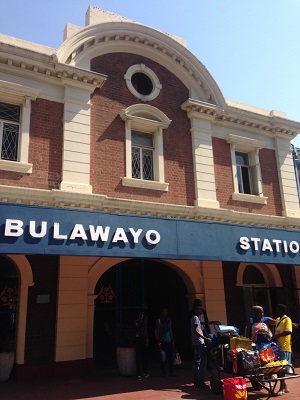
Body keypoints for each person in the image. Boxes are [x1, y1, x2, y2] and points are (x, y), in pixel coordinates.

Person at [273, 304, 293, 396]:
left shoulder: (287, 319)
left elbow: (289, 331)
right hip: (278, 347)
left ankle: (282, 388)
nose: (276, 312)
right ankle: (284, 386)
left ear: (281, 311)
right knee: (279, 368)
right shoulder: (277, 320)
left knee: (282, 369)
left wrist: (278, 335)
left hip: (285, 347)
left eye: (277, 310)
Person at [191, 304, 212, 389]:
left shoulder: (193, 318)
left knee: (197, 362)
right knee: (203, 361)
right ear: (196, 310)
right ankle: (201, 381)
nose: (201, 311)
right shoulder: (195, 318)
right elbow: (195, 330)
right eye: (199, 309)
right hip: (199, 342)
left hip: (196, 343)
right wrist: (205, 338)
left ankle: (196, 380)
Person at [156, 307, 175, 377]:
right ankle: (164, 372)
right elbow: (158, 331)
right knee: (163, 357)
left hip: (169, 340)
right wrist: (159, 342)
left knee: (170, 357)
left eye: (166, 312)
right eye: (164, 312)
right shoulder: (159, 321)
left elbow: (170, 330)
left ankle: (171, 371)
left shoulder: (168, 320)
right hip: (163, 341)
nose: (165, 313)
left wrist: (172, 340)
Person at [134, 302, 150, 381]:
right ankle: (145, 372)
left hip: (137, 336)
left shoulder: (137, 314)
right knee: (144, 355)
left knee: (138, 356)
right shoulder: (144, 315)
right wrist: (147, 337)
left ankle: (139, 374)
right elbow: (145, 326)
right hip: (142, 337)